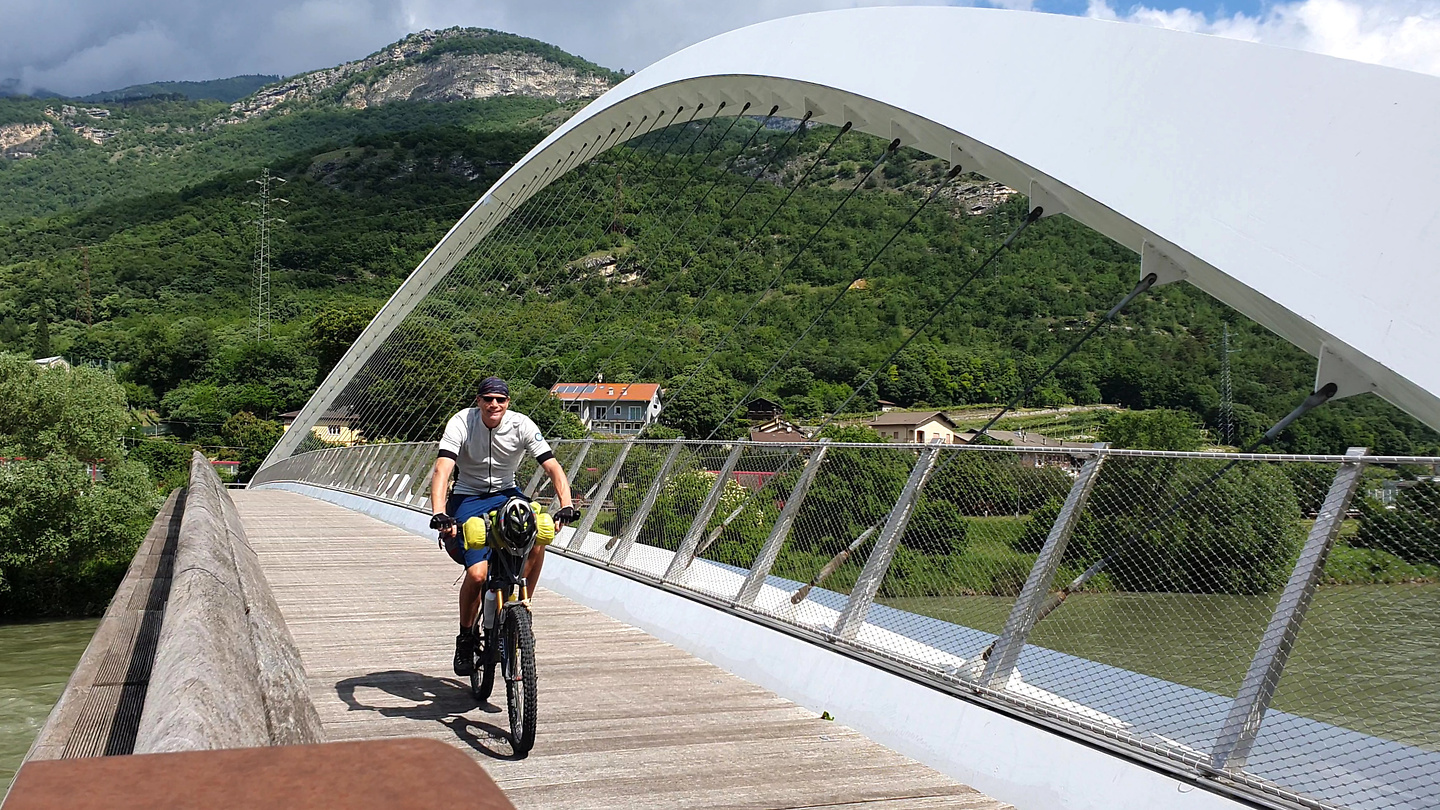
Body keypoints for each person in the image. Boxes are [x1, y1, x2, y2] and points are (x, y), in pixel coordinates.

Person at [428, 376, 579, 676]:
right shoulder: (461, 422)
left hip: (507, 495)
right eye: (487, 399)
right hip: (468, 496)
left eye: (500, 399)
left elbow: (552, 466)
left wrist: (566, 505)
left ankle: (522, 608)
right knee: (477, 573)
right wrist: (440, 512)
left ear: (508, 402)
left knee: (538, 534)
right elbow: (442, 469)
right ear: (478, 401)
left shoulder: (521, 424)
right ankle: (466, 637)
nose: (493, 404)